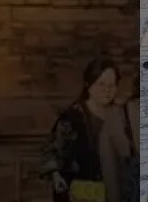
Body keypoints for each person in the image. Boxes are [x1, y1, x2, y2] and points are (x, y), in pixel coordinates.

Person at [39, 58, 135, 202]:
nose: (107, 90)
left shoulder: (122, 116)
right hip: (81, 191)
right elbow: (52, 151)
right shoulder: (73, 118)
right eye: (101, 84)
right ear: (88, 84)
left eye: (112, 85)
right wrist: (56, 175)